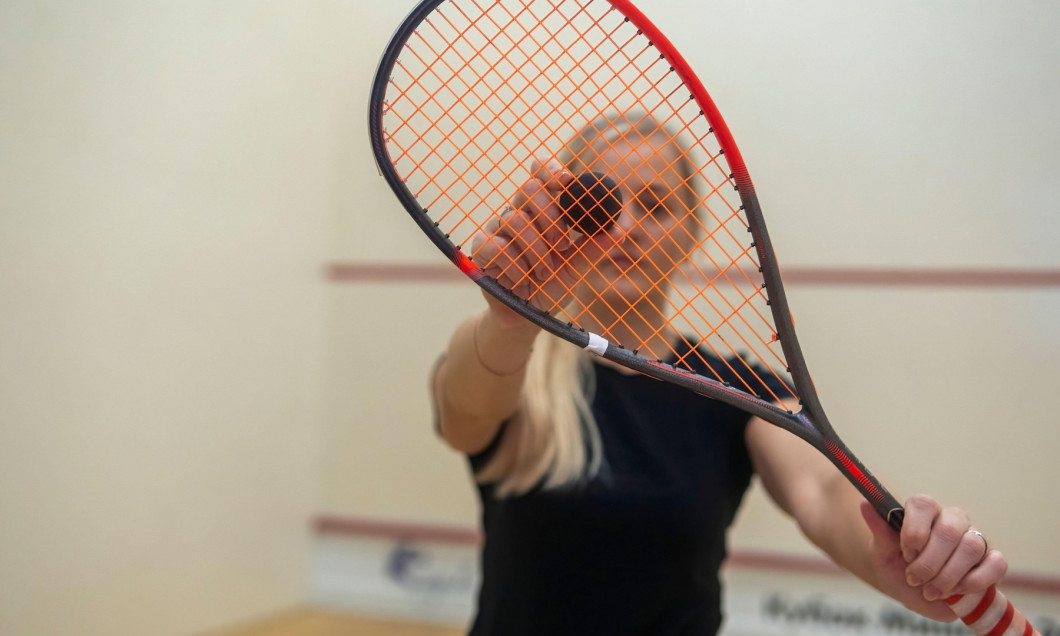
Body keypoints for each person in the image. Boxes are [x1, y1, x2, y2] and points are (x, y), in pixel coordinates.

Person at [430, 112, 1008, 635]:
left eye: (656, 206)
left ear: (692, 231)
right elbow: (463, 414)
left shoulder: (739, 390)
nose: (625, 228)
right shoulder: (512, 363)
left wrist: (903, 562)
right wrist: (508, 325)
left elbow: (823, 491)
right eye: (598, 204)